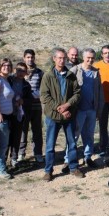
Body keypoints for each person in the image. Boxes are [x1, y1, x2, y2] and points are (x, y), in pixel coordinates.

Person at [40, 47, 83, 181]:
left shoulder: (71, 75)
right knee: (50, 145)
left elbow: (77, 93)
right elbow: (44, 96)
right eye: (59, 58)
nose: (61, 60)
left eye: (63, 58)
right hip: (53, 116)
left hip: (69, 115)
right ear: (54, 59)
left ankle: (74, 167)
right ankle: (48, 170)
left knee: (71, 143)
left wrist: (67, 106)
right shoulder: (48, 76)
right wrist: (59, 108)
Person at [63, 48, 104, 171]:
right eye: (88, 58)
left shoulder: (96, 72)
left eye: (92, 58)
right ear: (83, 57)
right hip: (78, 110)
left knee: (89, 135)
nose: (90, 60)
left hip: (91, 109)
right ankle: (68, 159)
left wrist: (99, 110)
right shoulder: (75, 70)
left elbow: (100, 92)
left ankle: (87, 157)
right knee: (74, 135)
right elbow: (67, 90)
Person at [18, 49, 44, 163]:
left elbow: (43, 90)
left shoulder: (40, 72)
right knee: (22, 131)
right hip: (22, 108)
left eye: (32, 57)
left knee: (37, 131)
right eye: (28, 57)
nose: (30, 59)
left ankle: (38, 153)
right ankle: (20, 153)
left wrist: (30, 96)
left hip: (36, 107)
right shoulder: (20, 72)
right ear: (24, 58)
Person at [7, 62, 33, 167]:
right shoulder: (8, 80)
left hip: (19, 113)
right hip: (7, 112)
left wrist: (23, 101)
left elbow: (29, 99)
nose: (21, 72)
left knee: (17, 137)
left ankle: (14, 159)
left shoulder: (26, 85)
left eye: (23, 70)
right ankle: (3, 161)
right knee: (6, 138)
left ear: (26, 72)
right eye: (19, 70)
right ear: (14, 70)